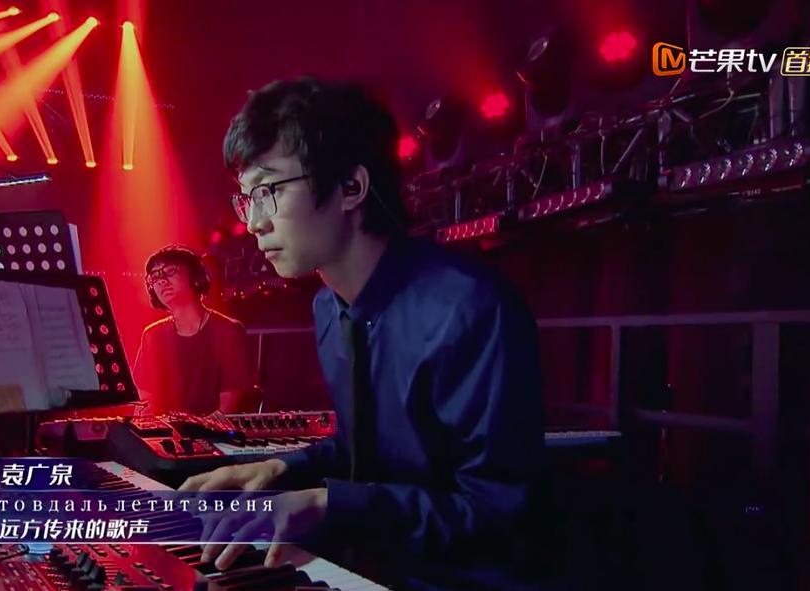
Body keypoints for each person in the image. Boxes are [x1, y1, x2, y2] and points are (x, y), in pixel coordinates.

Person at [178, 77, 554, 591]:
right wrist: (280, 468)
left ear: (351, 188)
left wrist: (327, 503)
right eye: (246, 200)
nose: (254, 224)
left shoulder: (469, 308)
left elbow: (499, 514)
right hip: (375, 568)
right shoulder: (327, 306)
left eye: (269, 191)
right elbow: (371, 451)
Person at [132, 245, 257, 415]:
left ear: (195, 276)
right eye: (154, 276)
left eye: (170, 271)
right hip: (165, 430)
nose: (161, 280)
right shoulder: (151, 335)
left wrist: (191, 430)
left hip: (213, 430)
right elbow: (145, 404)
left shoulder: (229, 331)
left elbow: (228, 407)